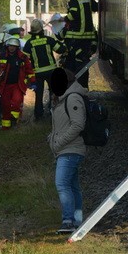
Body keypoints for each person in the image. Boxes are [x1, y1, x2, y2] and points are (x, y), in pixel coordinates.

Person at [47, 67, 86, 234]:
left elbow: (78, 124)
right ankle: (77, 220)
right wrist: (51, 138)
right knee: (72, 185)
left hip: (70, 149)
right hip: (66, 149)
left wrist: (58, 142)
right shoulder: (63, 99)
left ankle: (68, 221)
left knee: (62, 184)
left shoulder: (73, 98)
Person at [23, 18, 64, 120]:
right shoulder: (48, 39)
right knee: (53, 92)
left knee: (39, 94)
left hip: (37, 73)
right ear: (41, 29)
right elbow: (61, 49)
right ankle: (53, 111)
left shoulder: (29, 43)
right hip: (51, 71)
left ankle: (38, 115)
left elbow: (25, 60)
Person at [0, 36, 34, 129]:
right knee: (5, 104)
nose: (12, 48)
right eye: (10, 46)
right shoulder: (2, 56)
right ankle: (6, 126)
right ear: (7, 46)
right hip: (4, 85)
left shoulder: (22, 57)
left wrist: (33, 82)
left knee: (16, 102)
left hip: (17, 85)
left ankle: (14, 119)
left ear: (17, 47)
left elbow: (29, 70)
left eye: (14, 46)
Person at [63, 0, 99, 88]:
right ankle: (84, 88)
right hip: (88, 36)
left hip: (77, 36)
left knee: (75, 63)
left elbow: (72, 15)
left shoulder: (73, 0)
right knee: (84, 63)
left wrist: (65, 19)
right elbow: (96, 7)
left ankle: (74, 87)